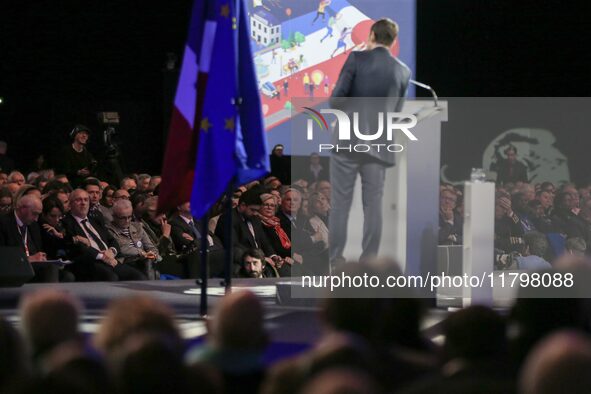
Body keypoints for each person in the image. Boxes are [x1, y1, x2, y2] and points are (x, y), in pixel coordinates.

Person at [329, 18, 410, 264]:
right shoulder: (403, 71)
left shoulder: (356, 59)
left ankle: (336, 261)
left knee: (341, 202)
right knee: (373, 205)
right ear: (393, 41)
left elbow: (336, 101)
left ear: (371, 36)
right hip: (379, 143)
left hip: (347, 140)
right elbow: (396, 111)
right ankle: (369, 262)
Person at [61, 189, 146, 281]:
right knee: (111, 277)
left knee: (139, 277)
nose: (83, 203)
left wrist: (112, 251)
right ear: (70, 204)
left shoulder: (96, 219)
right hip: (89, 262)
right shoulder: (67, 223)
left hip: (110, 259)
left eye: (86, 200)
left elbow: (112, 240)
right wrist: (103, 256)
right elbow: (77, 248)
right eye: (79, 200)